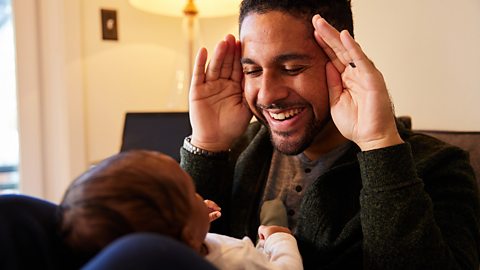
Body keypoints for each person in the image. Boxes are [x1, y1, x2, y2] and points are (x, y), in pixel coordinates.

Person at [180, 0, 480, 269]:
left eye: (292, 68)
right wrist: (207, 146)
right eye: (253, 71)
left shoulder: (440, 166)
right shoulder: (233, 151)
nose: (268, 94)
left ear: (340, 58)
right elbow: (167, 251)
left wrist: (379, 146)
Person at [58, 150, 303, 270]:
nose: (201, 197)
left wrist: (193, 215)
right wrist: (280, 238)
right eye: (190, 193)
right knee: (272, 219)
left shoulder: (183, 241)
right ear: (186, 236)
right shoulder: (232, 262)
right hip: (264, 254)